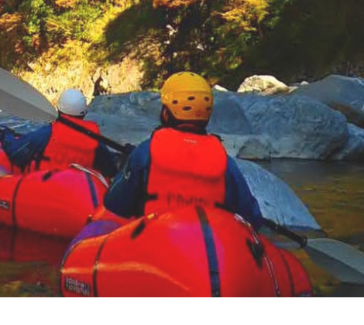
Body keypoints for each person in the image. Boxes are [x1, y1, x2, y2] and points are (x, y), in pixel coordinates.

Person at [101, 72, 266, 229]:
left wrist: (126, 165)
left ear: (166, 114)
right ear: (206, 115)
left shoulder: (146, 152)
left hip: (154, 244)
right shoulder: (224, 162)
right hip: (206, 251)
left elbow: (115, 203)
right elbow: (253, 218)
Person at [0, 88, 120, 176]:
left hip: (44, 191)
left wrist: (6, 136)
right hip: (79, 196)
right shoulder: (95, 141)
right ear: (83, 113)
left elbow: (16, 153)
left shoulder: (47, 133)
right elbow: (110, 170)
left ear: (59, 109)